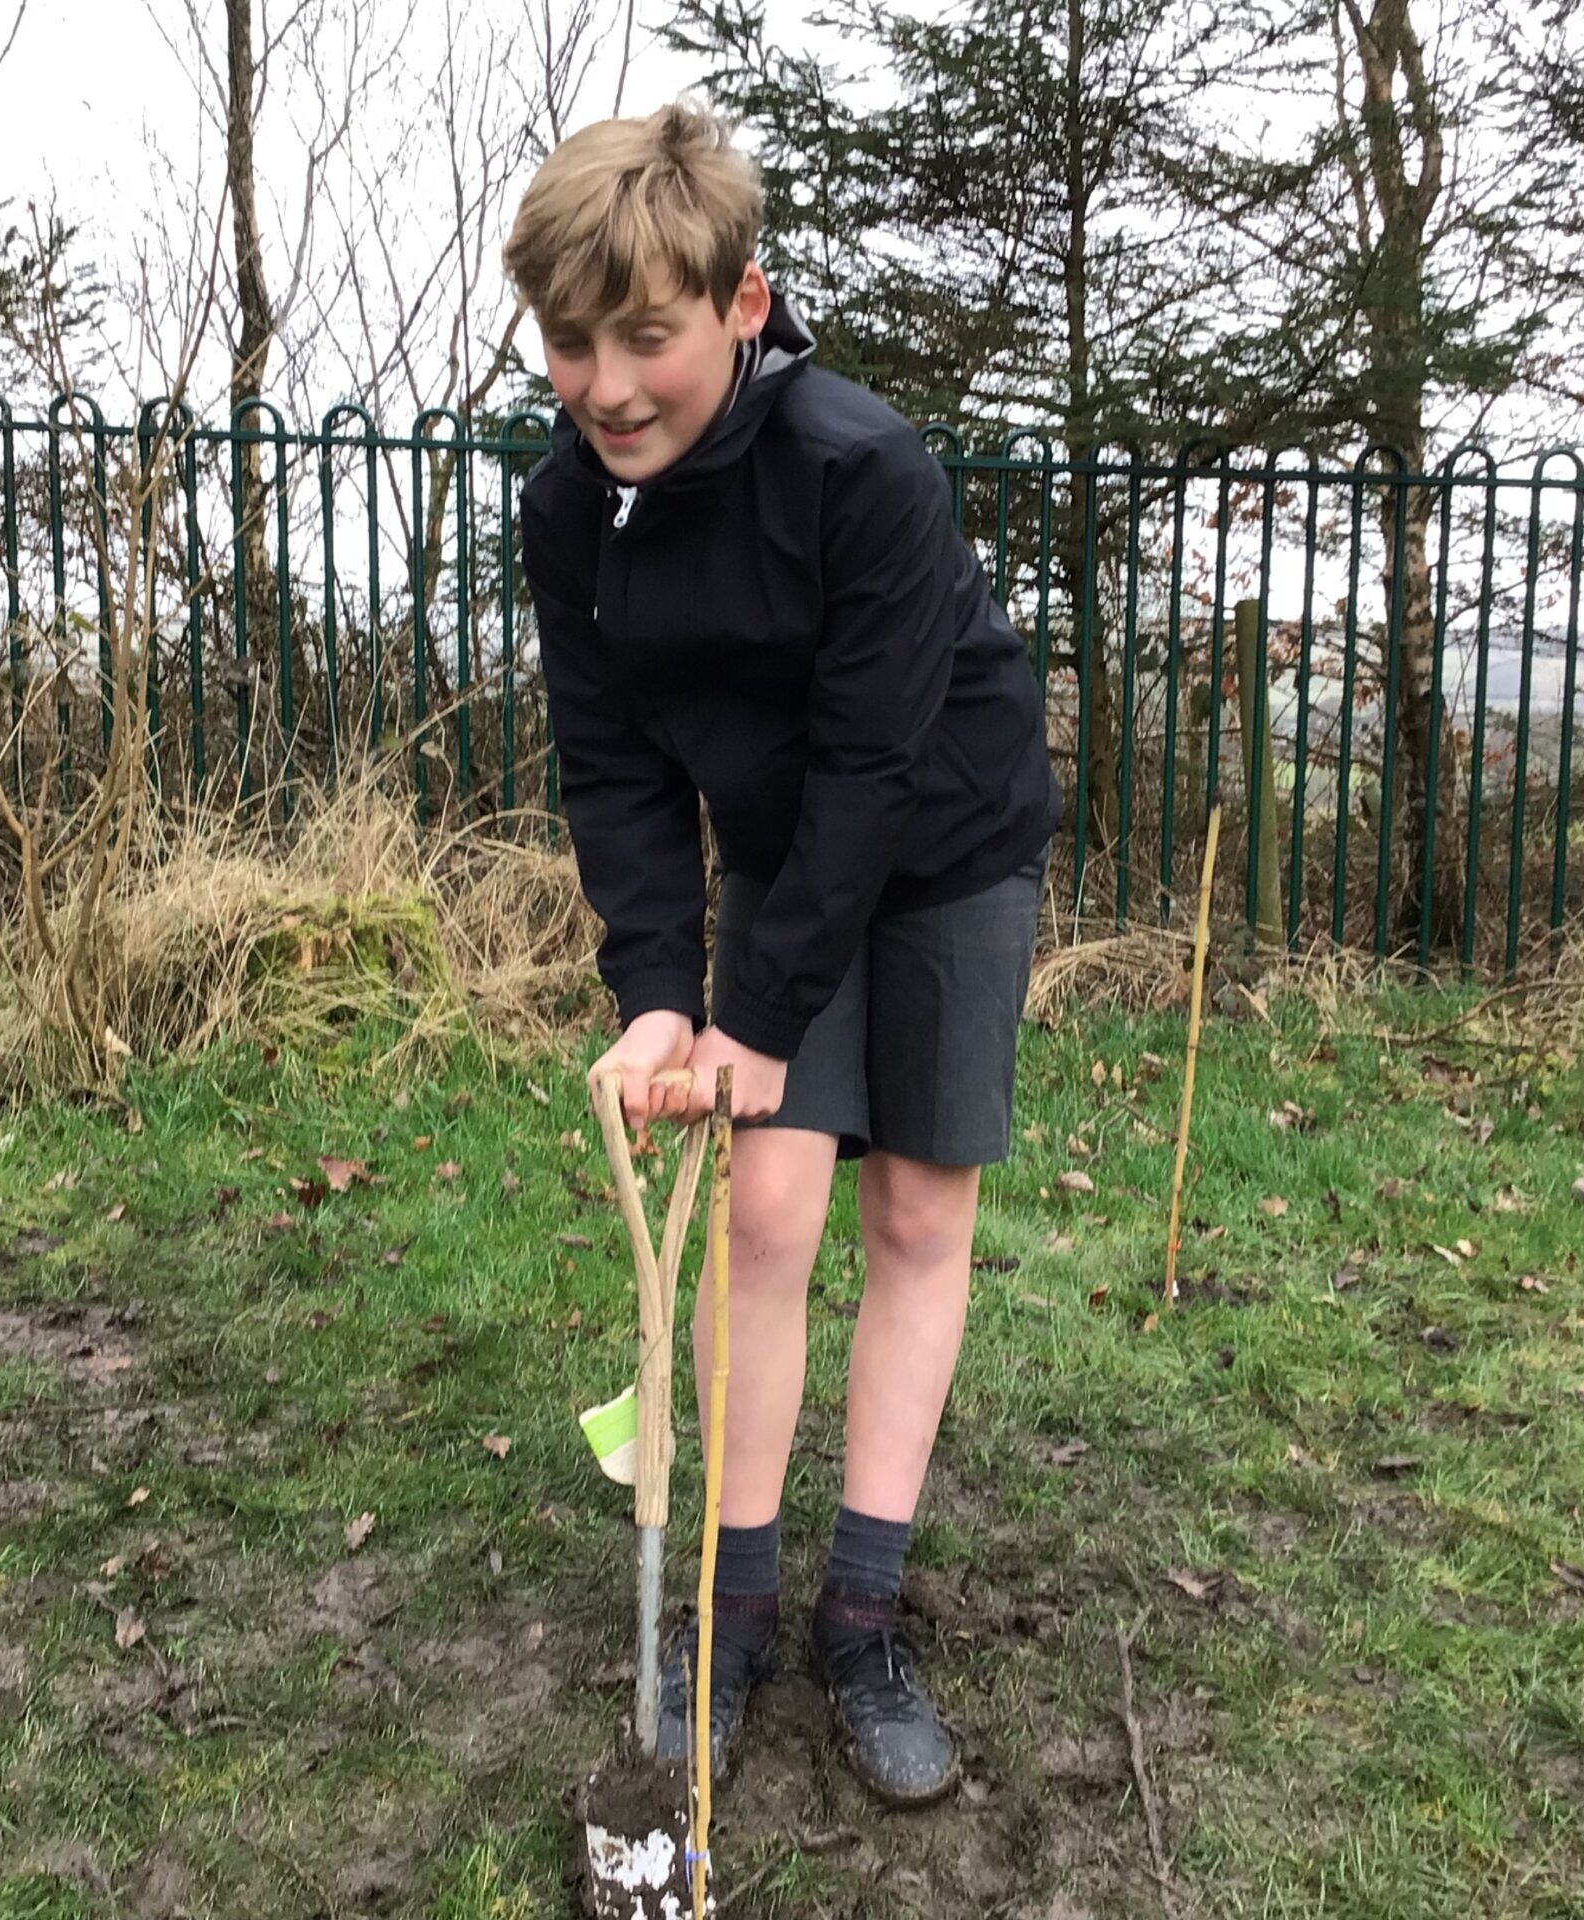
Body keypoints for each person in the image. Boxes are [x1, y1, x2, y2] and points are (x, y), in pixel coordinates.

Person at [503, 102, 1060, 1807]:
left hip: (945, 835)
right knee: (761, 1215)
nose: (606, 388)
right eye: (571, 344)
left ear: (742, 305)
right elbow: (613, 766)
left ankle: (862, 1611)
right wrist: (661, 999)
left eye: (644, 338)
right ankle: (729, 1607)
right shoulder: (565, 513)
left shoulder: (861, 470)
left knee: (917, 1215)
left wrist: (756, 1012)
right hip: (786, 853)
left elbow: (872, 767)